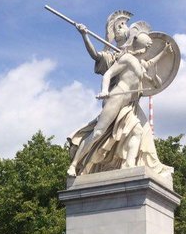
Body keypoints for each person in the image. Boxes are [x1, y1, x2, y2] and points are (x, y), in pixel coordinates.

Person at [68, 31, 172, 177]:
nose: (149, 49)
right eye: (148, 46)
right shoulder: (128, 59)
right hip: (117, 97)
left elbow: (151, 62)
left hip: (129, 104)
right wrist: (104, 90)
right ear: (143, 48)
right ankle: (74, 165)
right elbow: (108, 74)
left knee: (137, 131)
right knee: (98, 132)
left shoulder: (141, 63)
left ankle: (128, 166)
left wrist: (164, 51)